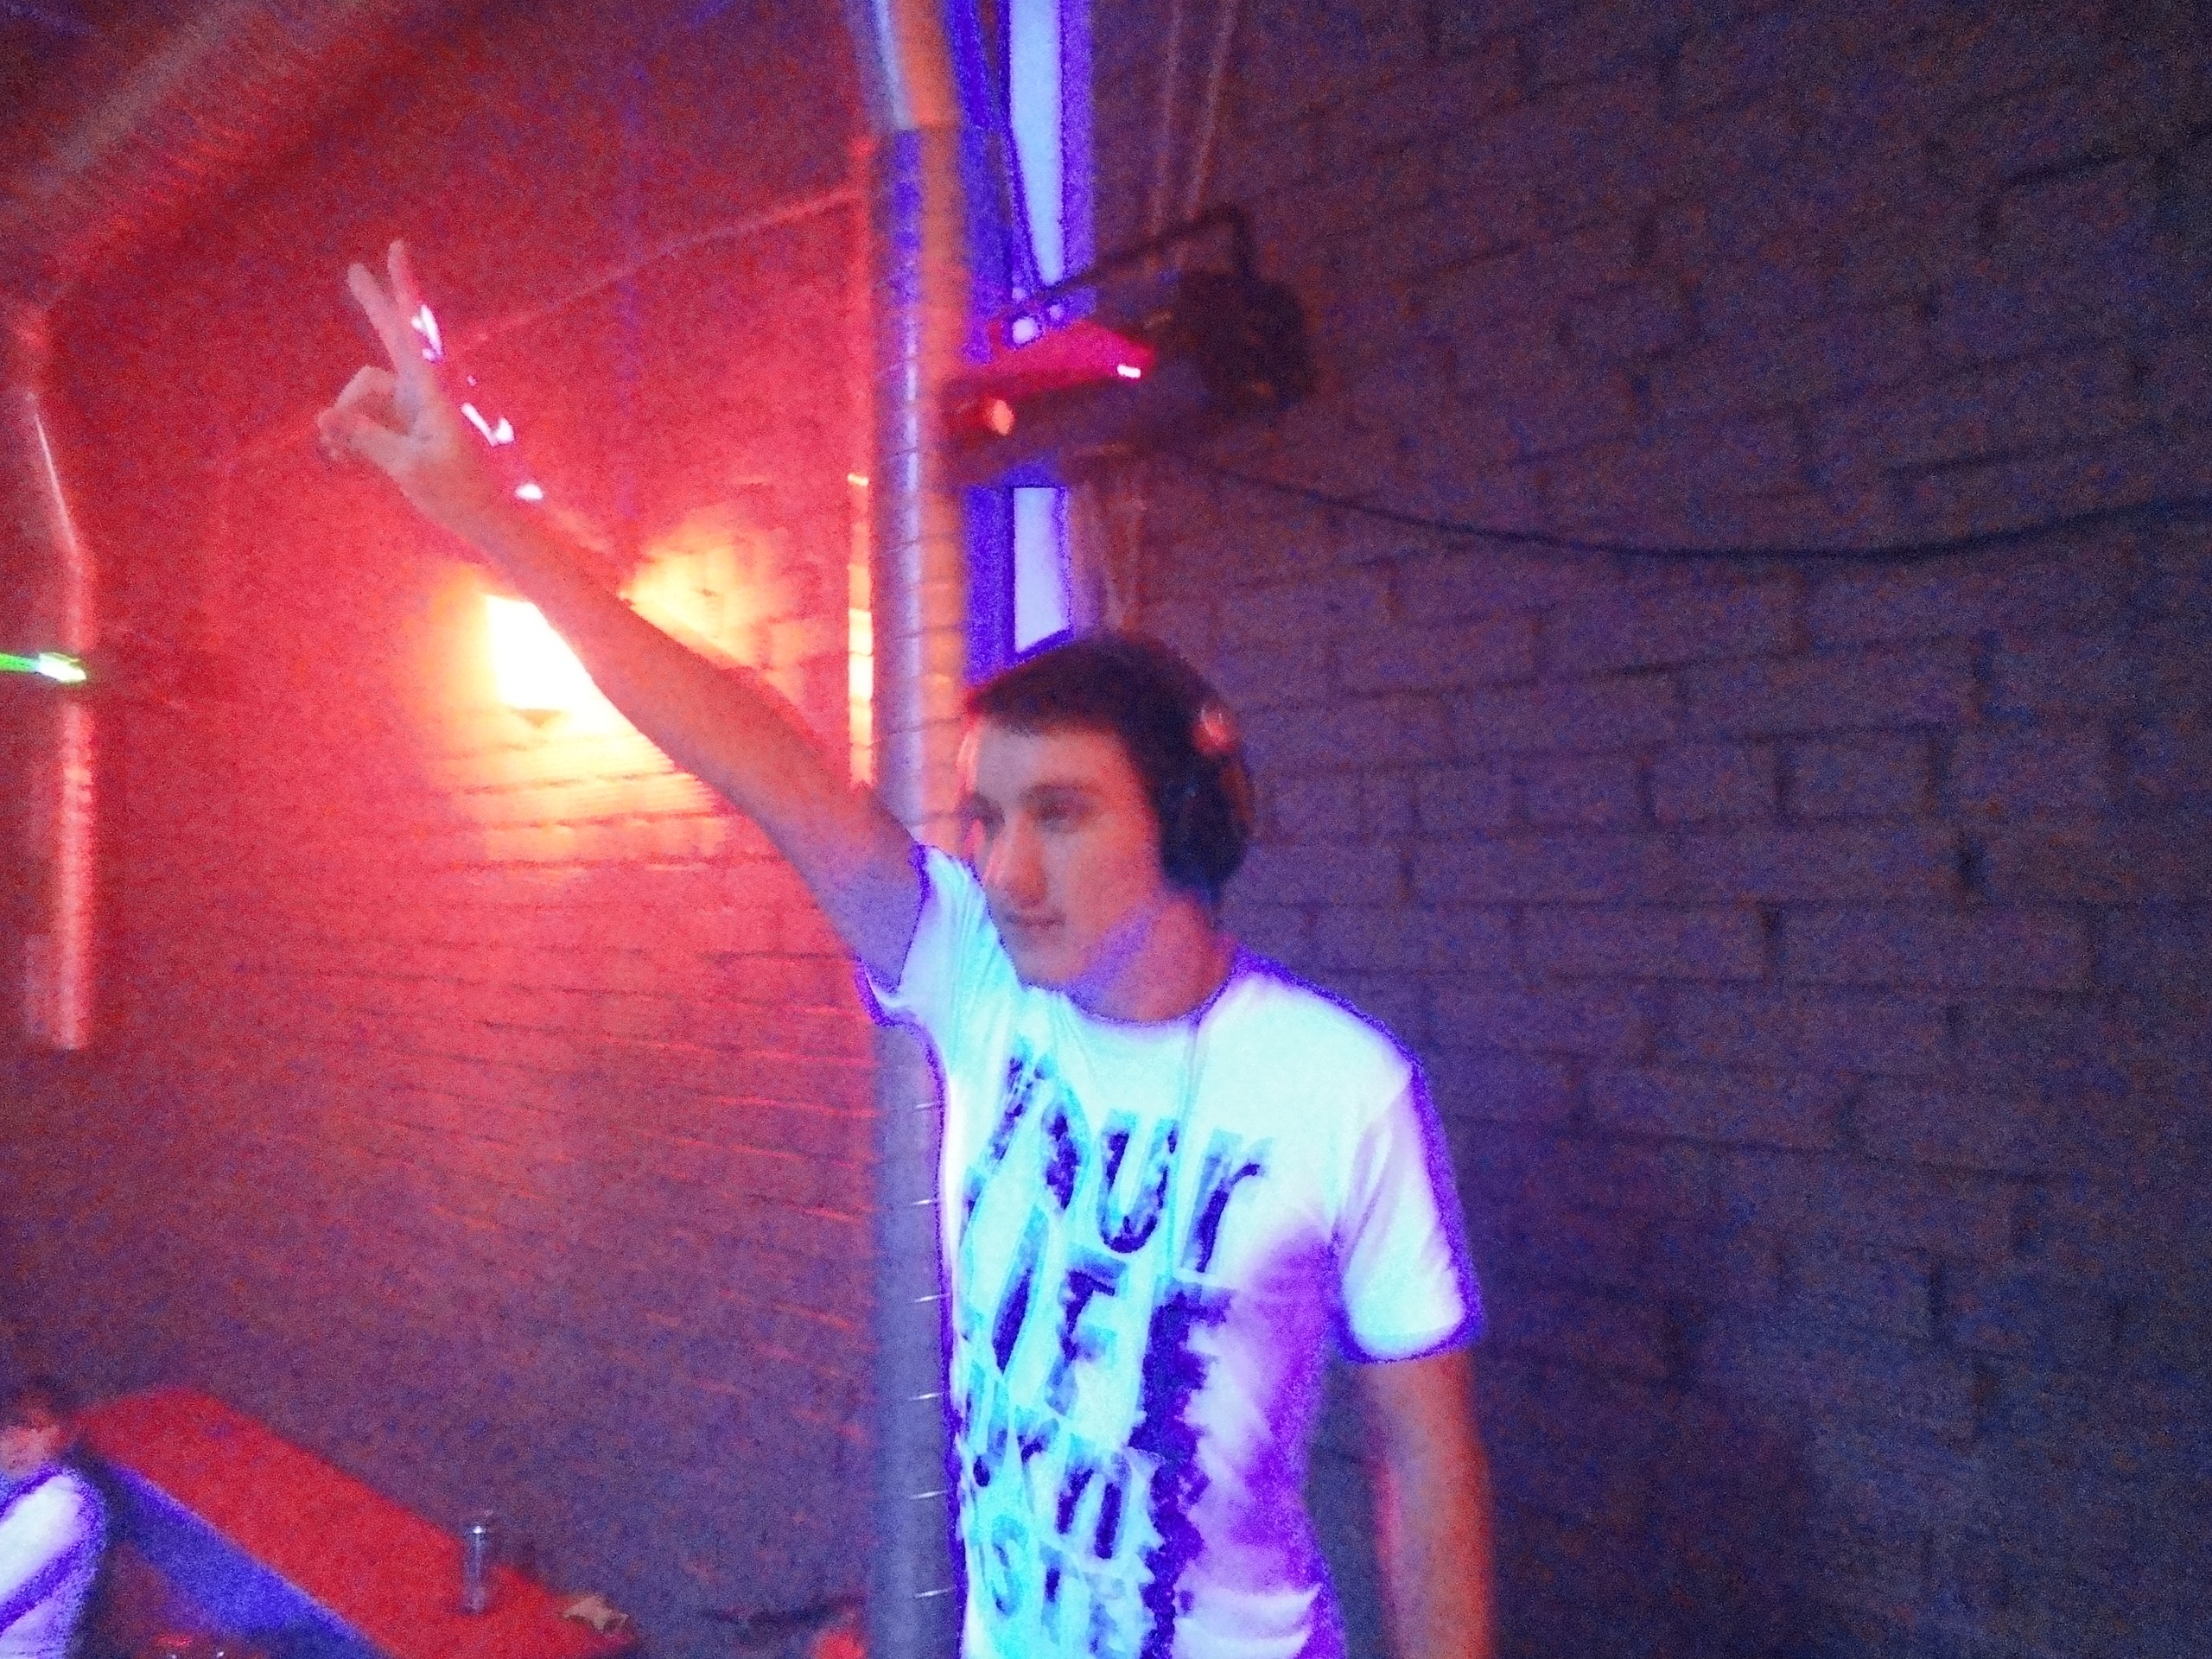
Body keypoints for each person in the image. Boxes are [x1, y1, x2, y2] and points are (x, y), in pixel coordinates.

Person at [321, 242, 1494, 1659]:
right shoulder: (979, 982)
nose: (1006, 871)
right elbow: (761, 758)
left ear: (1184, 822)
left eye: (1061, 816)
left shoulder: (1341, 1089)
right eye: (988, 820)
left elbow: (1425, 1461)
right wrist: (492, 523)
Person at [0, 1377, 107, 1659]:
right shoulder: (17, 1491)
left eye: (33, 1427)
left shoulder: (63, 1501)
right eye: (4, 1430)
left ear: (67, 1433)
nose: (16, 1443)